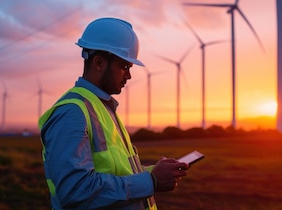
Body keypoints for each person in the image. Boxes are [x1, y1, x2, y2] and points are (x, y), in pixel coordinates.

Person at [38, 17, 189, 210]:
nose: (129, 75)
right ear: (99, 63)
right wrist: (150, 181)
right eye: (124, 66)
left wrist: (155, 172)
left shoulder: (102, 108)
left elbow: (116, 171)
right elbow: (75, 190)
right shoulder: (72, 112)